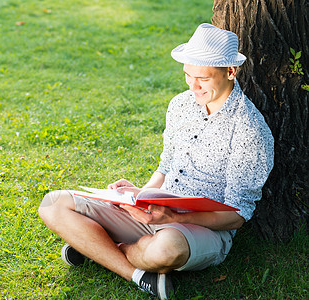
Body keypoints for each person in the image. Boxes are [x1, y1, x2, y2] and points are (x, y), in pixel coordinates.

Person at [38, 23, 274, 299]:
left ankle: (101, 247)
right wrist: (142, 195)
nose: (193, 86)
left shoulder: (250, 130)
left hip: (201, 229)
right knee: (53, 204)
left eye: (203, 79)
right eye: (188, 75)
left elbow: (236, 216)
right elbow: (166, 166)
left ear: (230, 72)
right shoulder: (180, 105)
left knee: (165, 250)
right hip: (156, 210)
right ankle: (138, 275)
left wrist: (172, 217)